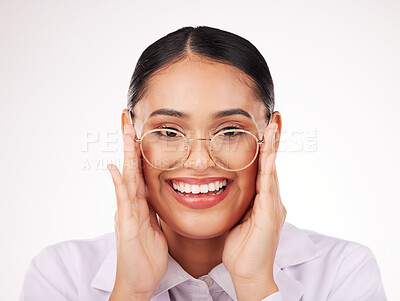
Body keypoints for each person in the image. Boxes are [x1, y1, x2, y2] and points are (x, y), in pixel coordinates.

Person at [19, 26, 387, 301]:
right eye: (167, 131)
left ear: (271, 134)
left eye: (229, 131)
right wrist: (130, 291)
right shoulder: (61, 276)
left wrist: (256, 284)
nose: (198, 162)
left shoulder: (344, 272)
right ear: (130, 133)